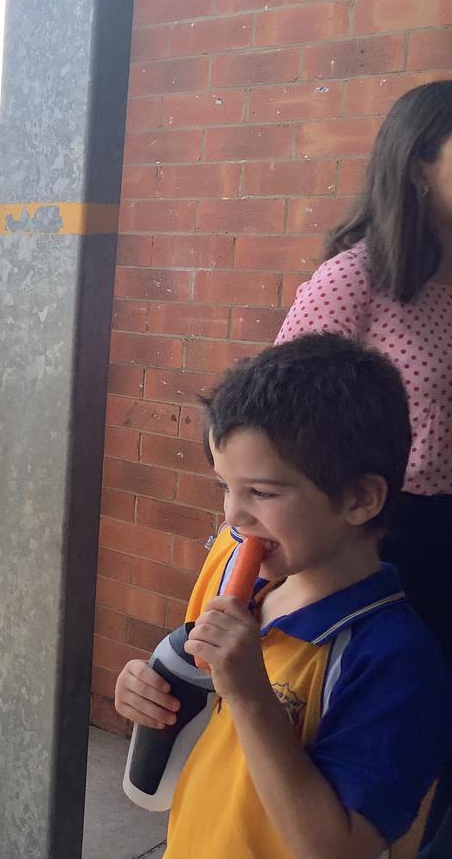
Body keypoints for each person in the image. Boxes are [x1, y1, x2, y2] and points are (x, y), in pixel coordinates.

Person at [114, 334, 450, 859]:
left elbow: (338, 848)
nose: (233, 516)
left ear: (360, 498)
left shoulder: (394, 661)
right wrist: (147, 692)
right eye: (225, 486)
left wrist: (250, 695)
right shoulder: (252, 596)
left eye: (262, 492)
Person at [275, 80, 452, 851]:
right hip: (389, 538)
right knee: (382, 740)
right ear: (418, 165)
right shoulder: (359, 279)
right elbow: (279, 415)